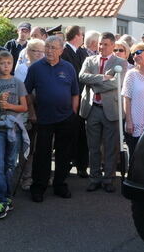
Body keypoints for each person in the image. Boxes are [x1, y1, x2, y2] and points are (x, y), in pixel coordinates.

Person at [24, 36, 79, 202]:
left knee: (64, 153)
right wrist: (32, 113)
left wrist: (73, 112)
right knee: (42, 154)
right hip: (44, 118)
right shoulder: (35, 68)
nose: (49, 50)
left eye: (53, 47)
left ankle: (60, 184)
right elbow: (26, 92)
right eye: (47, 47)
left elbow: (75, 92)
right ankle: (38, 187)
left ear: (61, 50)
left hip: (66, 118)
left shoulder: (68, 68)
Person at [79, 32, 127, 193]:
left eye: (105, 44)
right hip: (92, 109)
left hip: (111, 110)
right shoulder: (89, 60)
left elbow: (116, 83)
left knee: (110, 148)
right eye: (100, 43)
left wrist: (94, 82)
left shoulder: (121, 62)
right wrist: (102, 78)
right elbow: (82, 77)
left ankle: (108, 179)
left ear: (113, 46)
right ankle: (94, 178)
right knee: (93, 147)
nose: (101, 47)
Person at [0, 51, 29, 219]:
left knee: (10, 165)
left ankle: (8, 196)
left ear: (12, 64)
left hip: (14, 130)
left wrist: (9, 106)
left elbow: (24, 107)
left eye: (8, 63)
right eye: (2, 63)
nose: (6, 66)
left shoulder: (18, 83)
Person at [13, 38, 44, 191]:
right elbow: (24, 93)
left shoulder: (46, 67)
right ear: (27, 52)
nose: (38, 54)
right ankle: (25, 177)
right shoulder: (22, 69)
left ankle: (39, 175)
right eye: (34, 51)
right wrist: (31, 111)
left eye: (41, 51)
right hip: (27, 112)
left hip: (44, 111)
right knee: (27, 146)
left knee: (41, 146)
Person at [61, 25, 89, 178]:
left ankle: (82, 165)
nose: (83, 37)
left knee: (82, 133)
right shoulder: (64, 52)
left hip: (83, 98)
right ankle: (65, 165)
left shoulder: (83, 52)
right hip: (69, 99)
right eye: (82, 34)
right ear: (77, 36)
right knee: (68, 134)